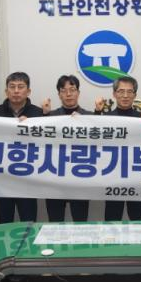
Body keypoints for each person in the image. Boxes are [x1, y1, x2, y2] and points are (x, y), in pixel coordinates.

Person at [0, 71, 43, 222]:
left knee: (29, 221)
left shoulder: (38, 114)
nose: (16, 91)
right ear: (6, 91)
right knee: (4, 220)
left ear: (28, 91)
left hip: (28, 180)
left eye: (21, 87)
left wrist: (32, 126)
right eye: (12, 87)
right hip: (2, 179)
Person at [97, 76, 141, 221]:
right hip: (113, 177)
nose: (125, 96)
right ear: (114, 94)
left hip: (137, 178)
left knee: (138, 220)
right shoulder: (105, 118)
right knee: (112, 220)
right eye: (121, 91)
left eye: (129, 92)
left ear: (135, 95)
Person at [42, 74, 91, 222]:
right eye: (64, 91)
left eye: (72, 90)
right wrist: (44, 116)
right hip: (55, 180)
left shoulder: (90, 116)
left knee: (80, 222)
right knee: (54, 222)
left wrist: (83, 121)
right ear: (59, 94)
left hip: (80, 179)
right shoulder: (49, 117)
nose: (68, 94)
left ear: (78, 93)